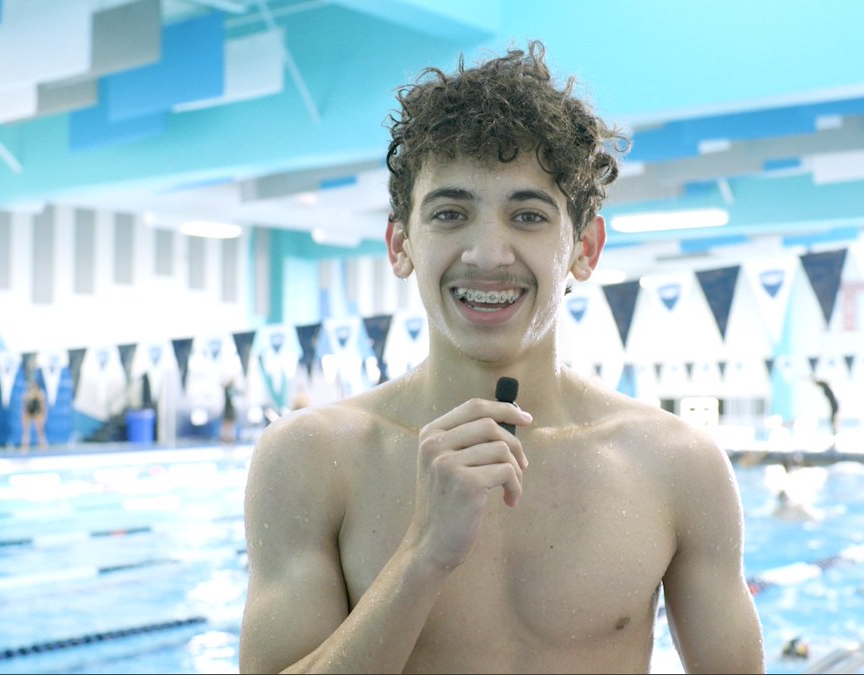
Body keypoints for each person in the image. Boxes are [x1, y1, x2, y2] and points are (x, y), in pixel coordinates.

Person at [238, 41, 765, 674]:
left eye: (529, 215)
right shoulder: (310, 458)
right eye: (451, 213)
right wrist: (423, 554)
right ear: (401, 244)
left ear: (585, 250)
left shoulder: (678, 465)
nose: (488, 252)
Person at [20, 379, 47, 453]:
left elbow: (42, 406)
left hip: (37, 413)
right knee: (26, 431)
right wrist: (23, 415)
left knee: (40, 431)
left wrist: (43, 415)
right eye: (32, 386)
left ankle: (42, 445)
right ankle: (25, 446)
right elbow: (24, 406)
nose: (34, 388)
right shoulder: (27, 394)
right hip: (28, 413)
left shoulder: (40, 394)